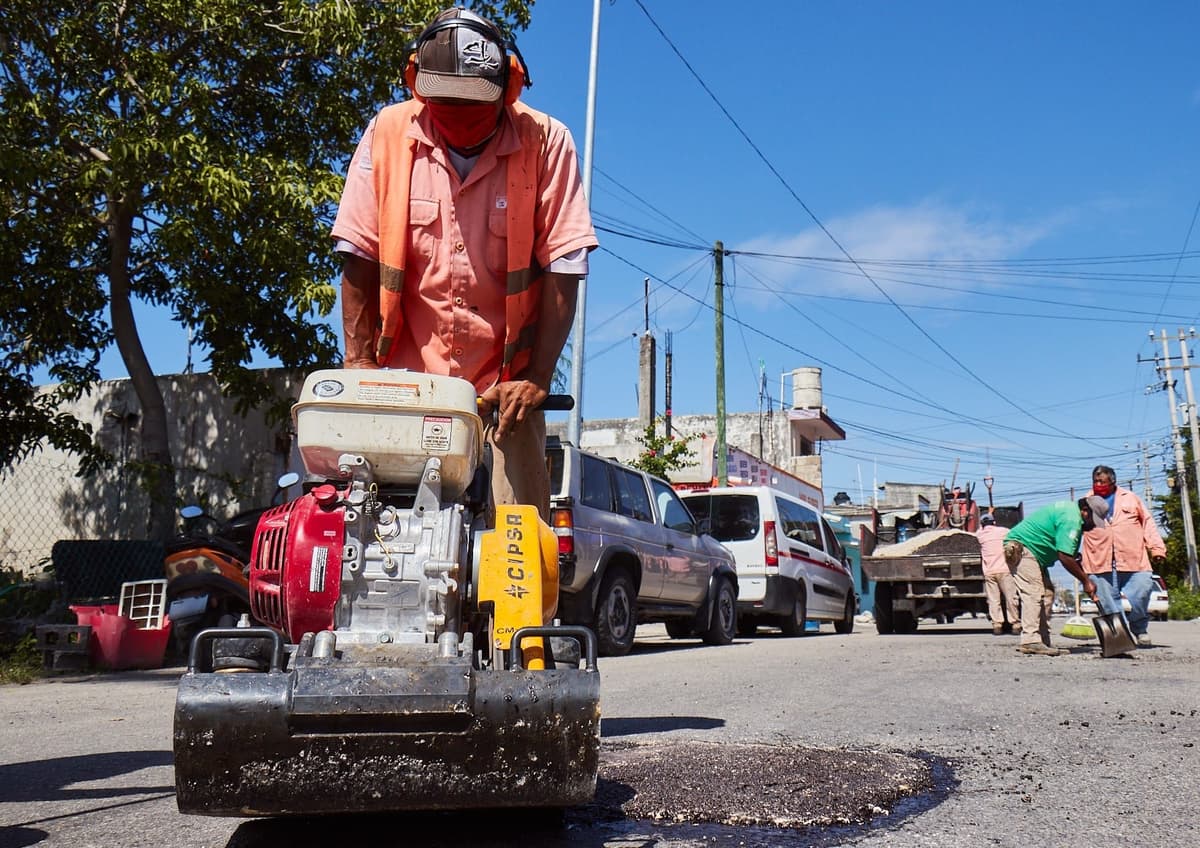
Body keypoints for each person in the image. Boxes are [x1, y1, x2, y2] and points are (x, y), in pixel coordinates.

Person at [330, 7, 598, 521]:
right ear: (418, 86)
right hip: (405, 384)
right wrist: (360, 369)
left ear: (509, 88)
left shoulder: (547, 143)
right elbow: (359, 251)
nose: (457, 115)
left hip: (506, 392)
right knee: (379, 535)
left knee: (518, 555)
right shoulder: (388, 133)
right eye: (444, 102)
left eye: (472, 103)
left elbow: (566, 262)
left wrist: (536, 378)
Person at [1003, 498, 1106, 656]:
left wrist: (1078, 565)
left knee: (1047, 593)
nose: (1092, 525)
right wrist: (1086, 581)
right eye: (1093, 520)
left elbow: (1068, 553)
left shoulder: (1070, 512)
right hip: (1022, 548)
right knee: (1033, 593)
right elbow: (1065, 556)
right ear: (1085, 511)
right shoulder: (1072, 519)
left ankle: (1042, 641)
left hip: (1035, 555)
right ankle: (1030, 640)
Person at [1080, 465, 1166, 647]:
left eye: (1102, 481)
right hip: (1099, 559)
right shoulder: (1086, 501)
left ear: (1112, 481)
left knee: (1143, 590)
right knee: (1108, 604)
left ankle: (1139, 627)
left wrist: (1157, 548)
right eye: (1095, 481)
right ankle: (1121, 637)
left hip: (1133, 557)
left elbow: (1148, 523)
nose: (1098, 484)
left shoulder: (1131, 499)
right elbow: (1074, 527)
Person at [976, 512, 1018, 635]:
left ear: (982, 525)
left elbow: (974, 533)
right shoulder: (1004, 531)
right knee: (1011, 598)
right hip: (1005, 570)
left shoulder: (980, 535)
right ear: (994, 522)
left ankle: (997, 625)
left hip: (989, 572)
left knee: (994, 600)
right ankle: (1015, 624)